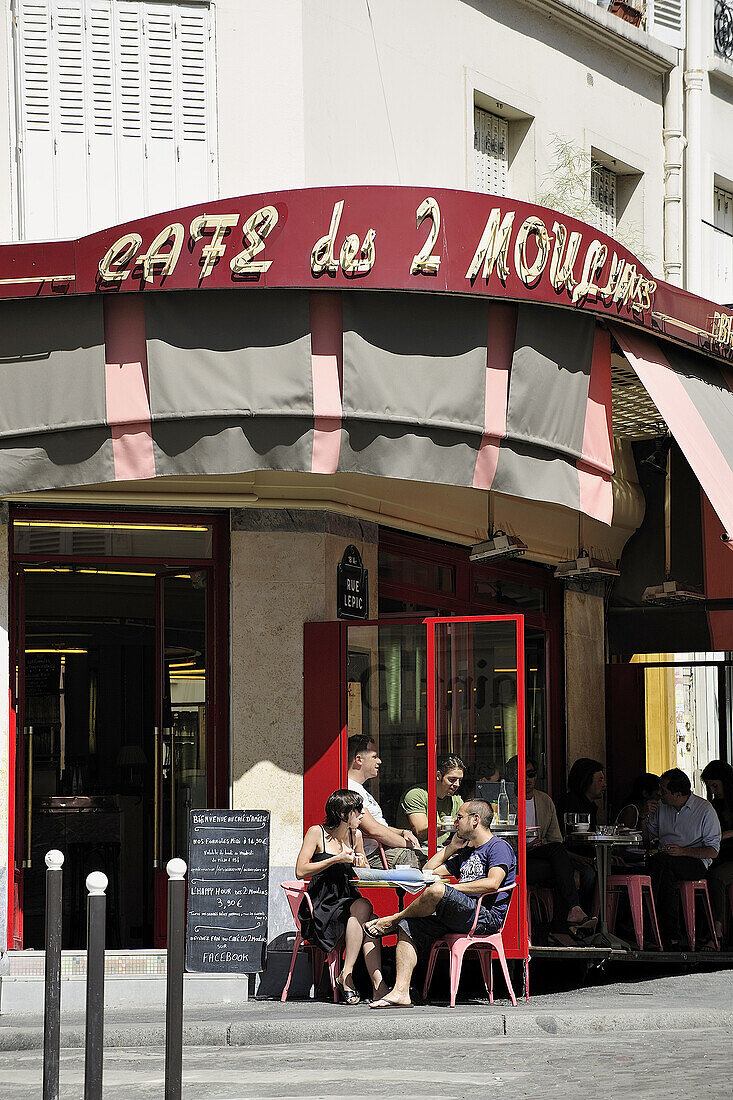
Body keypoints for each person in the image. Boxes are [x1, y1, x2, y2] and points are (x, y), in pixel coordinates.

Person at [361, 799, 516, 1009]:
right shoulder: (466, 852)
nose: (455, 822)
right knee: (409, 926)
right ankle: (401, 991)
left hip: (484, 917)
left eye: (459, 817)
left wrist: (450, 890)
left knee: (436, 890)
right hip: (460, 914)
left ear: (475, 820)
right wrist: (451, 847)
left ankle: (393, 919)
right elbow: (428, 870)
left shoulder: (498, 847)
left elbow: (493, 882)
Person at [295, 788, 388, 1005]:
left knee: (370, 922)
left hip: (348, 899)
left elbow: (363, 868)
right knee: (365, 910)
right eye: (358, 810)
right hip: (322, 904)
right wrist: (334, 860)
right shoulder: (316, 832)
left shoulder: (355, 835)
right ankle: (357, 980)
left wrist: (359, 861)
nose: (362, 815)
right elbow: (300, 870)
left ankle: (369, 982)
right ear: (344, 813)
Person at [505, 755, 595, 934]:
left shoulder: (544, 800)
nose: (527, 779)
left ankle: (562, 924)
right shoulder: (505, 799)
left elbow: (555, 839)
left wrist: (541, 844)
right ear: (512, 777)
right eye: (521, 774)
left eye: (531, 774)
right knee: (564, 870)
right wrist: (526, 848)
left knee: (560, 863)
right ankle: (567, 919)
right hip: (515, 859)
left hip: (540, 857)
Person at [644, 768, 721, 949]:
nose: (659, 793)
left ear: (678, 794)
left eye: (663, 791)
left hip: (694, 861)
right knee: (666, 874)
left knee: (659, 864)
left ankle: (654, 928)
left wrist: (683, 851)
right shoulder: (661, 807)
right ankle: (671, 936)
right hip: (665, 862)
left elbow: (713, 851)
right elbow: (647, 838)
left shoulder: (704, 810)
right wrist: (643, 816)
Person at [347, 735, 422, 868]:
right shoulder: (351, 789)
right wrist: (408, 844)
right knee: (413, 858)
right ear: (359, 759)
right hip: (372, 855)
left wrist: (402, 832)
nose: (380, 761)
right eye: (374, 757)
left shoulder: (360, 789)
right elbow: (373, 830)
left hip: (380, 850)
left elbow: (378, 825)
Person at [398, 754, 465, 847]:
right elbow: (421, 833)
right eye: (452, 779)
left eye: (460, 780)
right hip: (415, 850)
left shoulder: (455, 799)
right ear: (438, 775)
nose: (457, 784)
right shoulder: (416, 795)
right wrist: (452, 824)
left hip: (441, 849)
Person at [701, 760, 733, 945]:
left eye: (715, 785)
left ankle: (717, 930)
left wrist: (727, 834)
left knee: (716, 877)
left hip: (729, 858)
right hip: (719, 857)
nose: (712, 790)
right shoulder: (713, 806)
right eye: (709, 786)